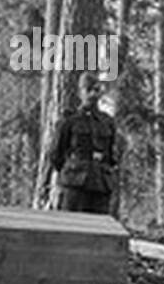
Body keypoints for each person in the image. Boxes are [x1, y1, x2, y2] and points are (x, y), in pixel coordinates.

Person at [49, 71, 118, 214]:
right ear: (80, 92)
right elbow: (56, 155)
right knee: (71, 227)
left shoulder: (107, 122)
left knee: (99, 230)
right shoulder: (69, 121)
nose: (92, 95)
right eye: (88, 90)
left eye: (96, 90)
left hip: (100, 186)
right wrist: (72, 171)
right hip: (75, 185)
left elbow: (111, 156)